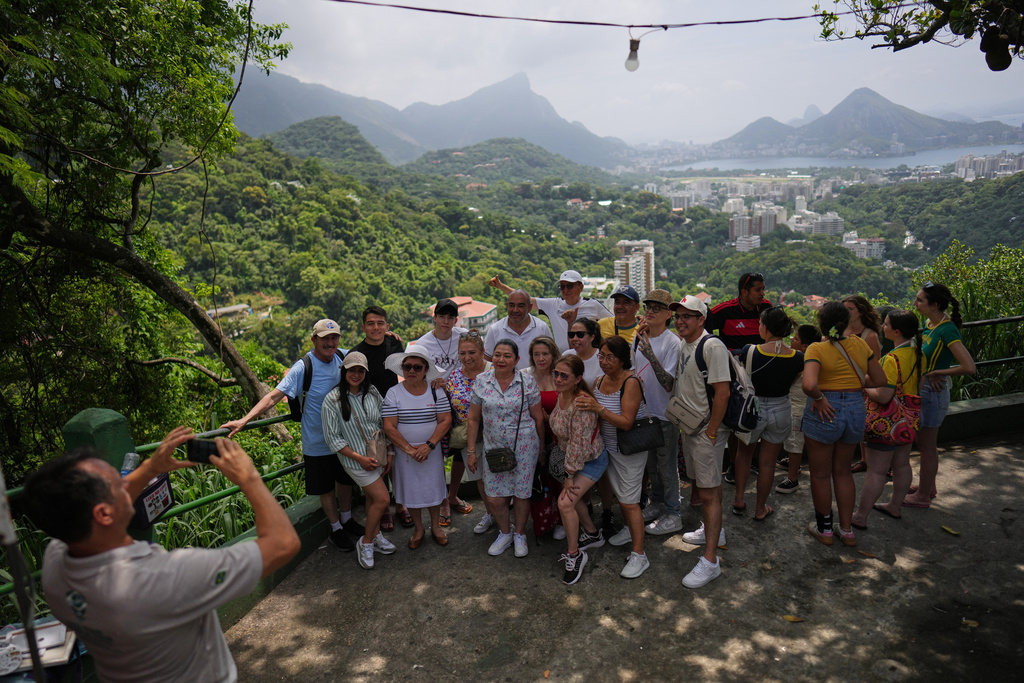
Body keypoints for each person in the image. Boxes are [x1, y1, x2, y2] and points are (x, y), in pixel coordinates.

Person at [24, 428, 300, 683]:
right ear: (103, 514)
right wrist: (249, 478)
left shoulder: (56, 561)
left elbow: (102, 507)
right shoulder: (165, 576)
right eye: (118, 482)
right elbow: (283, 543)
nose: (128, 482)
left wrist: (150, 468)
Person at [221, 319, 361, 551]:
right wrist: (245, 420)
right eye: (325, 338)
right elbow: (274, 396)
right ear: (313, 339)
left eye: (334, 337)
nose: (330, 342)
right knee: (325, 487)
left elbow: (367, 353)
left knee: (344, 481)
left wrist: (389, 336)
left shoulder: (343, 357)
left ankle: (347, 520)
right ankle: (336, 528)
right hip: (317, 440)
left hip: (343, 438)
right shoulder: (303, 367)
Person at [802, 302, 887, 547]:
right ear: (847, 322)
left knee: (819, 474)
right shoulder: (860, 344)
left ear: (822, 324)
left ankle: (825, 530)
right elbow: (880, 379)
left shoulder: (816, 349)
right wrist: (853, 381)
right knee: (843, 471)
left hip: (825, 408)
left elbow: (809, 385)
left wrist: (819, 398)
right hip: (855, 408)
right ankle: (847, 530)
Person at [576, 336, 650, 579]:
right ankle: (630, 530)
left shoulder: (631, 382)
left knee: (629, 502)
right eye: (602, 356)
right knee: (621, 497)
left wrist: (598, 408)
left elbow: (627, 423)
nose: (604, 362)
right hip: (606, 449)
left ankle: (640, 555)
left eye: (610, 357)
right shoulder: (598, 381)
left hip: (629, 451)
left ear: (622, 360)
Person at [671, 295, 731, 588]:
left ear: (701, 319)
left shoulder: (712, 346)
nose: (680, 321)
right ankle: (713, 531)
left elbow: (723, 392)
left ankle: (710, 561)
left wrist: (712, 431)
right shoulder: (686, 344)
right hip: (691, 428)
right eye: (678, 316)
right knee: (707, 487)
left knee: (707, 493)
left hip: (706, 431)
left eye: (687, 316)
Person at [465, 340, 545, 558]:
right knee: (494, 497)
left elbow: (538, 418)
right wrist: (471, 451)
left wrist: (542, 449)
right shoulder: (482, 381)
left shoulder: (526, 382)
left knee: (521, 493)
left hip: (525, 447)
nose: (501, 360)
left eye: (507, 356)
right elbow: (473, 419)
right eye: (498, 355)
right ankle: (505, 532)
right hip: (494, 449)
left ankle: (520, 534)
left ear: (517, 360)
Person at [903, 281, 976, 507]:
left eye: (920, 301)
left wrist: (938, 372)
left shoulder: (947, 329)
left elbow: (969, 366)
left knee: (927, 445)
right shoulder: (930, 323)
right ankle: (928, 486)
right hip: (925, 389)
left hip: (933, 393)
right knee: (924, 444)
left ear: (934, 305)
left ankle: (923, 496)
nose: (915, 304)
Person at [322, 352, 396, 569]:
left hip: (377, 456)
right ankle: (366, 542)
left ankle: (376, 535)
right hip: (355, 462)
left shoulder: (372, 393)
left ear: (366, 372)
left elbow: (385, 424)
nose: (356, 374)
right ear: (344, 371)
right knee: (382, 500)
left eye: (360, 370)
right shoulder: (332, 400)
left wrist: (389, 453)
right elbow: (332, 439)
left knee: (372, 500)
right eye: (351, 370)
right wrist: (359, 459)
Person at [851, 310, 923, 529]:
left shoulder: (892, 359)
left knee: (876, 471)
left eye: (887, 324)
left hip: (887, 423)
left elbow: (884, 395)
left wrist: (865, 389)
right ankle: (895, 505)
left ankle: (860, 516)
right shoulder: (919, 353)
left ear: (897, 331)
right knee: (902, 464)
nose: (883, 326)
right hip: (908, 419)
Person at [731, 307, 805, 521]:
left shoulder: (750, 350)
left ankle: (738, 500)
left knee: (744, 455)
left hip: (753, 409)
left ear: (765, 327)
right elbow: (792, 383)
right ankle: (760, 507)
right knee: (768, 463)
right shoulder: (798, 357)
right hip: (782, 408)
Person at [381, 345, 453, 549]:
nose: (411, 371)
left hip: (431, 450)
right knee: (410, 491)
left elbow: (445, 420)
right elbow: (389, 426)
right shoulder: (393, 393)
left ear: (425, 369)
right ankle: (419, 528)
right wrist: (410, 449)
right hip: (406, 454)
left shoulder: (435, 390)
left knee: (433, 488)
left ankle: (436, 527)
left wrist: (429, 445)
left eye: (417, 367)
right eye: (407, 366)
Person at [551, 355, 607, 584]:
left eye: (564, 375)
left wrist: (569, 476)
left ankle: (575, 554)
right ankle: (593, 534)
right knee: (574, 502)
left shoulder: (581, 404)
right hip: (572, 459)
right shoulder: (562, 395)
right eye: (556, 373)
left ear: (578, 379)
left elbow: (580, 444)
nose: (558, 378)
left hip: (588, 460)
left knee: (565, 502)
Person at [631, 289, 683, 536]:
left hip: (664, 414)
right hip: (644, 413)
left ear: (668, 315)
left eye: (656, 308)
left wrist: (649, 353)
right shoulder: (639, 336)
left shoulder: (673, 342)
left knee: (667, 466)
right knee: (651, 466)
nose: (649, 312)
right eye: (647, 307)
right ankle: (657, 503)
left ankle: (674, 512)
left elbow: (669, 383)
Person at [351, 306, 407, 533]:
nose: (376, 328)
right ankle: (384, 509)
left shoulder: (395, 344)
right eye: (371, 323)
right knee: (378, 460)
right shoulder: (357, 353)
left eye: (380, 323)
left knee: (399, 462)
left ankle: (401, 505)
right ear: (363, 327)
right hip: (371, 415)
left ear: (387, 326)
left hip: (395, 410)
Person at [489, 270, 611, 353]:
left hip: (588, 355)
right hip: (562, 359)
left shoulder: (593, 305)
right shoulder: (553, 305)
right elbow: (524, 299)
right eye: (562, 286)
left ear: (581, 287)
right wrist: (500, 286)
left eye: (570, 286)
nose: (565, 290)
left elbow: (613, 323)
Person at [446, 331, 491, 532]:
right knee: (481, 479)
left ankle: (506, 518)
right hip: (468, 437)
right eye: (462, 353)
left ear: (482, 352)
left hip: (494, 434)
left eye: (472, 352)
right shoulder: (455, 375)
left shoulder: (492, 373)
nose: (467, 357)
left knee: (499, 478)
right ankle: (491, 514)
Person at [776, 324, 820, 494]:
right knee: (795, 440)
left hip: (797, 408)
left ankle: (792, 478)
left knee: (794, 442)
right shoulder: (814, 359)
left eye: (795, 339)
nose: (791, 341)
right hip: (803, 407)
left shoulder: (799, 360)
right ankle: (793, 464)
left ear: (804, 346)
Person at [843, 295, 883, 475]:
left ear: (860, 312)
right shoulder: (842, 331)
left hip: (863, 385)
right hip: (848, 386)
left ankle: (875, 461)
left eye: (850, 308)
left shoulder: (869, 335)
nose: (846, 312)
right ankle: (864, 459)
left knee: (868, 422)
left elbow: (876, 366)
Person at [484, 289, 552, 370]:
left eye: (520, 306)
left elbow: (552, 357)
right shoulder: (495, 330)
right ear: (507, 306)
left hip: (536, 381)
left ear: (529, 308)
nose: (515, 310)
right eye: (512, 305)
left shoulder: (542, 328)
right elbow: (487, 361)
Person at [704, 272, 773, 351]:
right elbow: (702, 327)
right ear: (744, 292)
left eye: (762, 289)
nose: (762, 294)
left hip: (761, 360)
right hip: (733, 360)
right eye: (758, 290)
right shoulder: (725, 311)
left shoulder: (766, 307)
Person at [416, 298, 469, 385]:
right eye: (442, 317)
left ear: (455, 321)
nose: (446, 321)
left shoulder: (464, 336)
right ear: (435, 318)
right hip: (433, 391)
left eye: (450, 318)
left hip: (460, 389)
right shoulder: (422, 345)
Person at [563, 317, 603, 389]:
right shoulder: (566, 356)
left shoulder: (602, 357)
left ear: (592, 337)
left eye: (580, 334)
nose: (575, 339)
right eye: (571, 334)